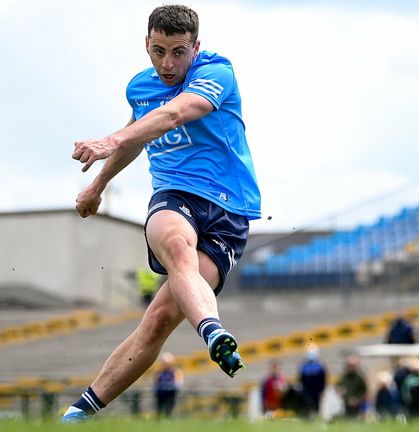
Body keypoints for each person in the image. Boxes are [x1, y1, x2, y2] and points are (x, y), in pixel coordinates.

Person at [60, 4, 261, 423]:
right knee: (175, 244)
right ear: (146, 45)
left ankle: (78, 412)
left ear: (196, 47)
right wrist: (97, 185)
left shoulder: (217, 73)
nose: (167, 64)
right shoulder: (140, 87)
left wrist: (108, 140)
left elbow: (173, 114)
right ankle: (213, 331)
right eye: (158, 51)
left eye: (178, 52)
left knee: (160, 319)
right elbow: (140, 134)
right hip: (175, 194)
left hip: (230, 208)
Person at [298, 347, 327, 418]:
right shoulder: (304, 366)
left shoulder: (320, 366)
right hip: (307, 391)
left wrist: (322, 390)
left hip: (317, 391)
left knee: (316, 406)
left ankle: (316, 417)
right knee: (308, 405)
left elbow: (323, 380)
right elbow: (301, 379)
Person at [154, 352, 183, 418]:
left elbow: (178, 382)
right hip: (161, 393)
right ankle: (159, 419)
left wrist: (170, 386)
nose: (165, 365)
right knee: (160, 408)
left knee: (169, 408)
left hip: (171, 393)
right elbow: (156, 382)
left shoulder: (175, 371)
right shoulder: (159, 372)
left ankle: (168, 418)